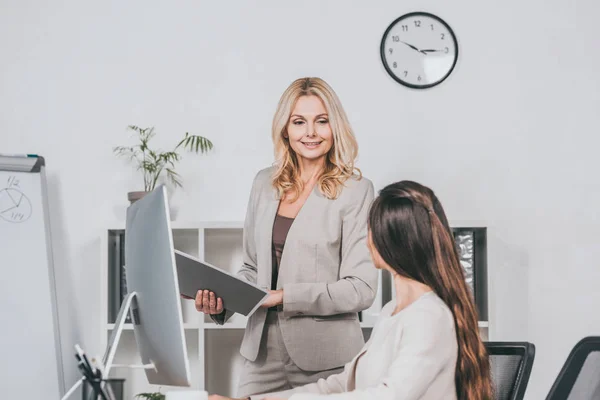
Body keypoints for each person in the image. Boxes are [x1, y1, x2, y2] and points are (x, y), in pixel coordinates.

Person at [209, 180, 493, 400]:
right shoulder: (392, 312)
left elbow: (388, 396)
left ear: (390, 239)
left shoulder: (429, 317)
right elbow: (344, 383)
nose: (365, 239)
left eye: (368, 229)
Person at [189, 77, 379, 398]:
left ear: (335, 127)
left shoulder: (356, 190)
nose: (311, 133)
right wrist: (221, 303)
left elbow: (361, 289)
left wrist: (283, 297)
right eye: (299, 122)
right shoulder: (265, 183)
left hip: (326, 359)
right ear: (285, 130)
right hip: (261, 354)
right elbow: (251, 268)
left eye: (321, 121)